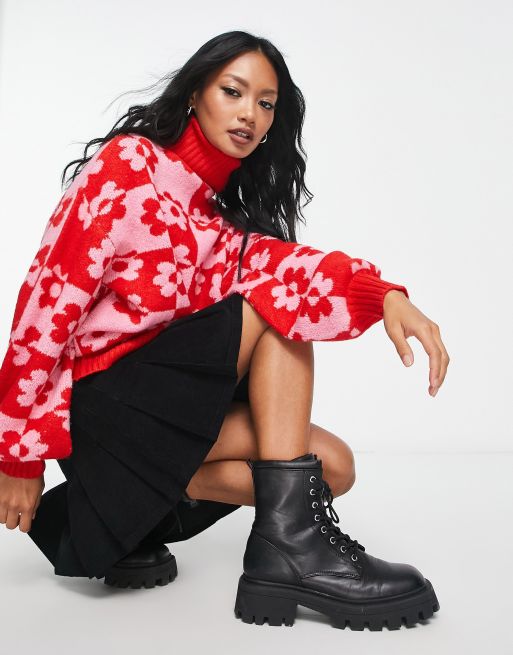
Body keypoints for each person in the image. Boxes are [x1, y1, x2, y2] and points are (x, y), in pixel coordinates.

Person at [0, 30, 449, 630]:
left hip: (153, 421)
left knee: (334, 469)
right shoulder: (129, 167)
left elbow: (294, 266)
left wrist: (385, 295)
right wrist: (18, 452)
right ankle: (290, 555)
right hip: (99, 407)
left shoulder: (223, 217)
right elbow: (46, 305)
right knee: (275, 305)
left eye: (265, 103)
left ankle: (133, 503)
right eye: (233, 92)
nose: (248, 114)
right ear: (195, 94)